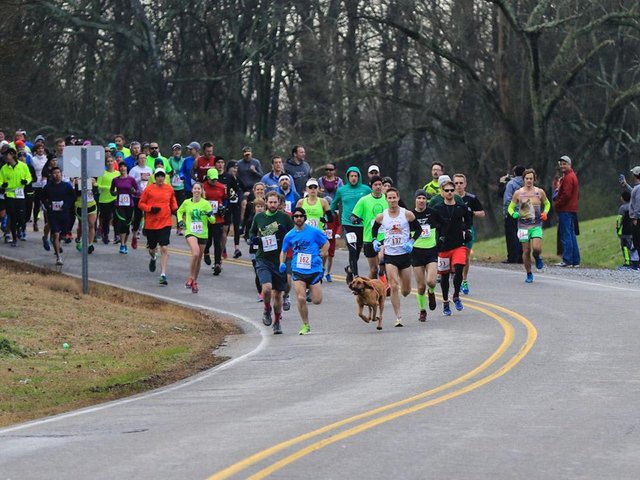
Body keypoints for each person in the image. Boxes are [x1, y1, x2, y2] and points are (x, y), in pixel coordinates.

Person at [371, 188, 421, 327]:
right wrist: (375, 240)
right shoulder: (382, 216)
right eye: (390, 198)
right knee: (393, 286)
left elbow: (419, 229)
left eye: (394, 198)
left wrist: (411, 241)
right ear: (386, 199)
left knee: (405, 291)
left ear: (398, 198)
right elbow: (374, 229)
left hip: (404, 255)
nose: (392, 200)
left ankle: (405, 290)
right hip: (390, 255)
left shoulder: (407, 214)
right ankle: (398, 316)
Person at [249, 191, 294, 334]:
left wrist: (284, 232)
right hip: (263, 258)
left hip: (279, 259)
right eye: (270, 202)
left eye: (275, 202)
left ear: (279, 203)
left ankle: (277, 321)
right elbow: (251, 232)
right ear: (266, 202)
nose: (273, 205)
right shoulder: (259, 217)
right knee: (267, 288)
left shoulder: (284, 218)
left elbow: (293, 234)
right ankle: (267, 309)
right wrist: (254, 240)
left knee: (278, 294)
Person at [279, 206, 329, 335]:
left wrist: (323, 253)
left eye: (301, 216)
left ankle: (311, 288)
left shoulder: (313, 231)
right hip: (298, 269)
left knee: (317, 301)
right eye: (296, 216)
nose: (298, 218)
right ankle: (306, 325)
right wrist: (282, 263)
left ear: (304, 217)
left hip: (313, 269)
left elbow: (326, 243)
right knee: (300, 298)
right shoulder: (289, 235)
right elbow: (284, 251)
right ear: (293, 218)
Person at [430, 176, 473, 316]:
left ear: (454, 191)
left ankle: (456, 296)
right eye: (446, 190)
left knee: (459, 268)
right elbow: (431, 224)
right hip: (443, 247)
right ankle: (445, 302)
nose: (449, 192)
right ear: (442, 192)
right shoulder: (437, 208)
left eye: (451, 190)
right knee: (444, 276)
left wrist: (466, 230)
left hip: (458, 244)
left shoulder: (461, 207)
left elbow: (469, 219)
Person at [507, 169, 551, 283]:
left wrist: (545, 213)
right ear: (523, 179)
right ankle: (529, 273)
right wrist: (513, 214)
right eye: (527, 178)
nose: (529, 180)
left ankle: (537, 257)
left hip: (536, 225)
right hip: (522, 226)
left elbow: (547, 204)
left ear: (534, 179)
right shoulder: (518, 193)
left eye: (531, 178)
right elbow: (510, 207)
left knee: (536, 248)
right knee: (526, 251)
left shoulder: (539, 192)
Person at [330, 166, 371, 282]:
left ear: (359, 177)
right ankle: (356, 276)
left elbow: (373, 201)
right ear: (348, 177)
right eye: (351, 176)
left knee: (357, 251)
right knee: (352, 249)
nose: (353, 178)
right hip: (348, 224)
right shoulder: (342, 190)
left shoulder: (366, 189)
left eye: (356, 176)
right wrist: (327, 216)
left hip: (362, 224)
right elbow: (333, 204)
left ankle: (350, 269)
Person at [138, 168, 178, 285]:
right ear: (155, 178)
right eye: (158, 176)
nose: (160, 178)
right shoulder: (149, 189)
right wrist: (150, 209)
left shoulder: (169, 189)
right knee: (152, 248)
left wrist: (176, 211)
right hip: (151, 223)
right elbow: (141, 203)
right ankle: (153, 257)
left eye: (162, 176)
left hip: (165, 222)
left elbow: (173, 202)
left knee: (164, 248)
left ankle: (163, 274)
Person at [177, 182, 215, 293]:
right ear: (192, 190)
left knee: (198, 258)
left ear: (202, 191)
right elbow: (179, 211)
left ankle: (195, 281)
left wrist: (208, 215)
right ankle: (190, 278)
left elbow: (213, 220)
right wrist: (180, 221)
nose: (197, 190)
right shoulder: (186, 202)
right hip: (190, 231)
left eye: (199, 188)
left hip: (203, 233)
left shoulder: (206, 204)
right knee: (195, 253)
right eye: (195, 188)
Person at [452, 173, 485, 294]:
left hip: (467, 230)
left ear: (465, 184)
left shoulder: (471, 198)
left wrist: (472, 212)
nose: (458, 185)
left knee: (465, 256)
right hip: (453, 231)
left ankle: (464, 280)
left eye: (461, 183)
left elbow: (482, 213)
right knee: (453, 256)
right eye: (456, 183)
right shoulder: (450, 197)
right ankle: (455, 276)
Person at [351, 176, 388, 280]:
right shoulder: (364, 200)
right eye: (375, 185)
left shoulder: (387, 199)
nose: (378, 187)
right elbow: (353, 215)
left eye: (380, 184)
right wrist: (355, 220)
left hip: (385, 236)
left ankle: (384, 283)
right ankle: (371, 288)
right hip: (369, 238)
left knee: (382, 262)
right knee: (373, 269)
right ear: (371, 186)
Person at [411, 189, 439, 322]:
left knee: (431, 281)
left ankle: (432, 292)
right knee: (421, 286)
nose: (421, 201)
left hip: (431, 250)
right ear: (415, 200)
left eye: (423, 198)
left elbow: (444, 225)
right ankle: (422, 310)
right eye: (419, 198)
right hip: (416, 252)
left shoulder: (432, 213)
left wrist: (442, 238)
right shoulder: (410, 215)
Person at [41, 166, 75, 265]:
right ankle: (58, 257)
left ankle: (56, 243)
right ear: (52, 175)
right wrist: (48, 205)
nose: (57, 174)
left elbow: (72, 197)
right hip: (53, 213)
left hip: (64, 214)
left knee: (62, 235)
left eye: (58, 172)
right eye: (55, 173)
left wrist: (66, 205)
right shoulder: (48, 187)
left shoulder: (66, 186)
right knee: (55, 233)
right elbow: (43, 198)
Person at [0, 147, 32, 246]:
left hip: (20, 194)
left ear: (13, 155)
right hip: (9, 195)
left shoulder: (23, 166)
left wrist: (26, 181)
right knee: (12, 216)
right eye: (4, 155)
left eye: (7, 155)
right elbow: (0, 179)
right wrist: (2, 185)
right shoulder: (4, 168)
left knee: (22, 217)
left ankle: (20, 228)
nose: (5, 157)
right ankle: (14, 238)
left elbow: (29, 176)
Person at [317, 162, 343, 282]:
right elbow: (316, 192)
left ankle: (328, 272)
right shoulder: (320, 181)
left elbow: (341, 194)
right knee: (323, 251)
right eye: (326, 169)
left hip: (333, 211)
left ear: (335, 170)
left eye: (331, 169)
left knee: (331, 253)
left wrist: (338, 232)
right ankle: (320, 269)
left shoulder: (339, 181)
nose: (328, 171)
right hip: (321, 210)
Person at [554, 155, 580, 267]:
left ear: (570, 165)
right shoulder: (571, 176)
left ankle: (568, 259)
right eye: (561, 164)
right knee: (571, 234)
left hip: (566, 209)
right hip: (571, 208)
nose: (562, 166)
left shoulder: (569, 177)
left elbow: (566, 195)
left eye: (565, 164)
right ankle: (575, 260)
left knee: (566, 234)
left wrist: (557, 204)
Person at [202, 167, 228, 275]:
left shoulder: (221, 187)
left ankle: (218, 263)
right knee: (208, 240)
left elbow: (226, 199)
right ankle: (206, 251)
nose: (214, 181)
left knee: (217, 241)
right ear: (207, 178)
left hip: (218, 218)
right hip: (206, 217)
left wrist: (224, 207)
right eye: (212, 179)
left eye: (215, 179)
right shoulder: (202, 187)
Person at [110, 162, 139, 254]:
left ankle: (125, 243)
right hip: (119, 205)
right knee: (122, 223)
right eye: (121, 167)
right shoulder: (115, 180)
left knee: (127, 225)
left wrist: (134, 191)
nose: (122, 168)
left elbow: (137, 191)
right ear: (119, 169)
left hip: (129, 205)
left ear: (127, 168)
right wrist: (114, 193)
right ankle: (122, 244)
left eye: (124, 166)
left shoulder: (131, 179)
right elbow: (112, 190)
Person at [503, 165, 525, 263]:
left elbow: (507, 199)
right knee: (522, 235)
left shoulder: (511, 184)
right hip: (525, 212)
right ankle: (522, 256)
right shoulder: (527, 183)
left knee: (512, 236)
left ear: (514, 173)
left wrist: (506, 211)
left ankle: (512, 257)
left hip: (513, 213)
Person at [96, 156, 120, 244]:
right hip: (104, 199)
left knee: (117, 218)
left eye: (111, 161)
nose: (110, 163)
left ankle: (117, 235)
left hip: (115, 198)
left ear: (114, 162)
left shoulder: (117, 173)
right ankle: (105, 235)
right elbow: (98, 185)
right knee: (106, 219)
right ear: (106, 163)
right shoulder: (102, 173)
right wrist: (109, 188)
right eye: (108, 161)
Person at [616, 190, 638, 270]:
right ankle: (635, 262)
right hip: (633, 230)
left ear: (623, 198)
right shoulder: (633, 206)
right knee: (634, 246)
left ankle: (628, 262)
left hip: (625, 232)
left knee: (625, 247)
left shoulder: (622, 208)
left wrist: (618, 229)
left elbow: (619, 220)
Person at [168, 143, 186, 234]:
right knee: (169, 207)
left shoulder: (184, 161)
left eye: (178, 150)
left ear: (181, 151)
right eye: (175, 150)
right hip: (172, 187)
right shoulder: (170, 160)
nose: (177, 152)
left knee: (180, 208)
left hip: (181, 187)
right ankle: (167, 225)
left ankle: (180, 228)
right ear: (173, 152)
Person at [629, 166, 640, 267]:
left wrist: (636, 217)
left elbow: (638, 204)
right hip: (636, 217)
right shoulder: (637, 187)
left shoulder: (639, 188)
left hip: (637, 219)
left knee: (637, 241)